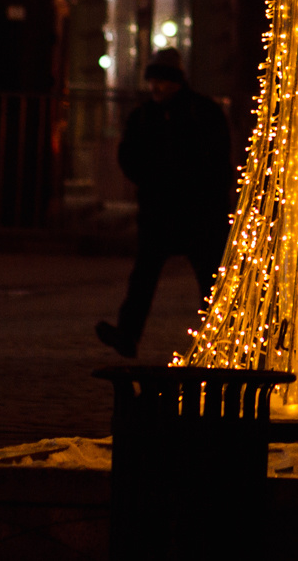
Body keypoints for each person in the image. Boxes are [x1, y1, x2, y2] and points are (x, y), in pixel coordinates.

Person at [98, 50, 234, 357]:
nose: (156, 87)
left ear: (176, 81)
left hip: (199, 211)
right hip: (162, 210)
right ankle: (128, 335)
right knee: (145, 275)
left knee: (209, 278)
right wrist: (150, 179)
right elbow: (128, 155)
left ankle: (220, 337)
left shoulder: (200, 112)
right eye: (153, 81)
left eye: (161, 80)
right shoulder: (147, 115)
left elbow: (218, 158)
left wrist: (207, 192)